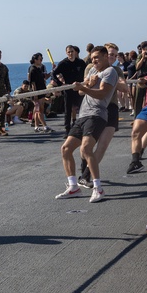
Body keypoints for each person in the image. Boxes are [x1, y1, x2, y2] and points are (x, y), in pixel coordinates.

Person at [54, 46, 118, 203]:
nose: (93, 60)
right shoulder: (92, 71)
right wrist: (86, 85)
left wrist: (85, 86)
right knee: (66, 149)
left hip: (97, 115)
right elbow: (81, 92)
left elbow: (102, 93)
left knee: (86, 148)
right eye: (92, 58)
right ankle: (73, 187)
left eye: (97, 57)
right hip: (83, 114)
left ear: (105, 57)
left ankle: (98, 188)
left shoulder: (110, 72)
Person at [52, 46, 86, 133]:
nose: (71, 53)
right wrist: (61, 84)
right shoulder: (63, 63)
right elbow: (54, 74)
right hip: (68, 89)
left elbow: (87, 73)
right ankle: (67, 129)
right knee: (68, 109)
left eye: (72, 51)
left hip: (79, 88)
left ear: (75, 52)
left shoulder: (81, 62)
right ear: (66, 53)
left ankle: (83, 127)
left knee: (82, 108)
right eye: (69, 52)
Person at [27, 53, 51, 131]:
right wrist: (35, 93)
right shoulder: (32, 69)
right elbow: (32, 83)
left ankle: (36, 126)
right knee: (40, 109)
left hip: (41, 90)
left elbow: (45, 77)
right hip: (37, 91)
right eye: (40, 59)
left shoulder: (39, 68)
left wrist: (52, 72)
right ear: (35, 60)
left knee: (38, 109)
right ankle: (44, 125)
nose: (41, 61)